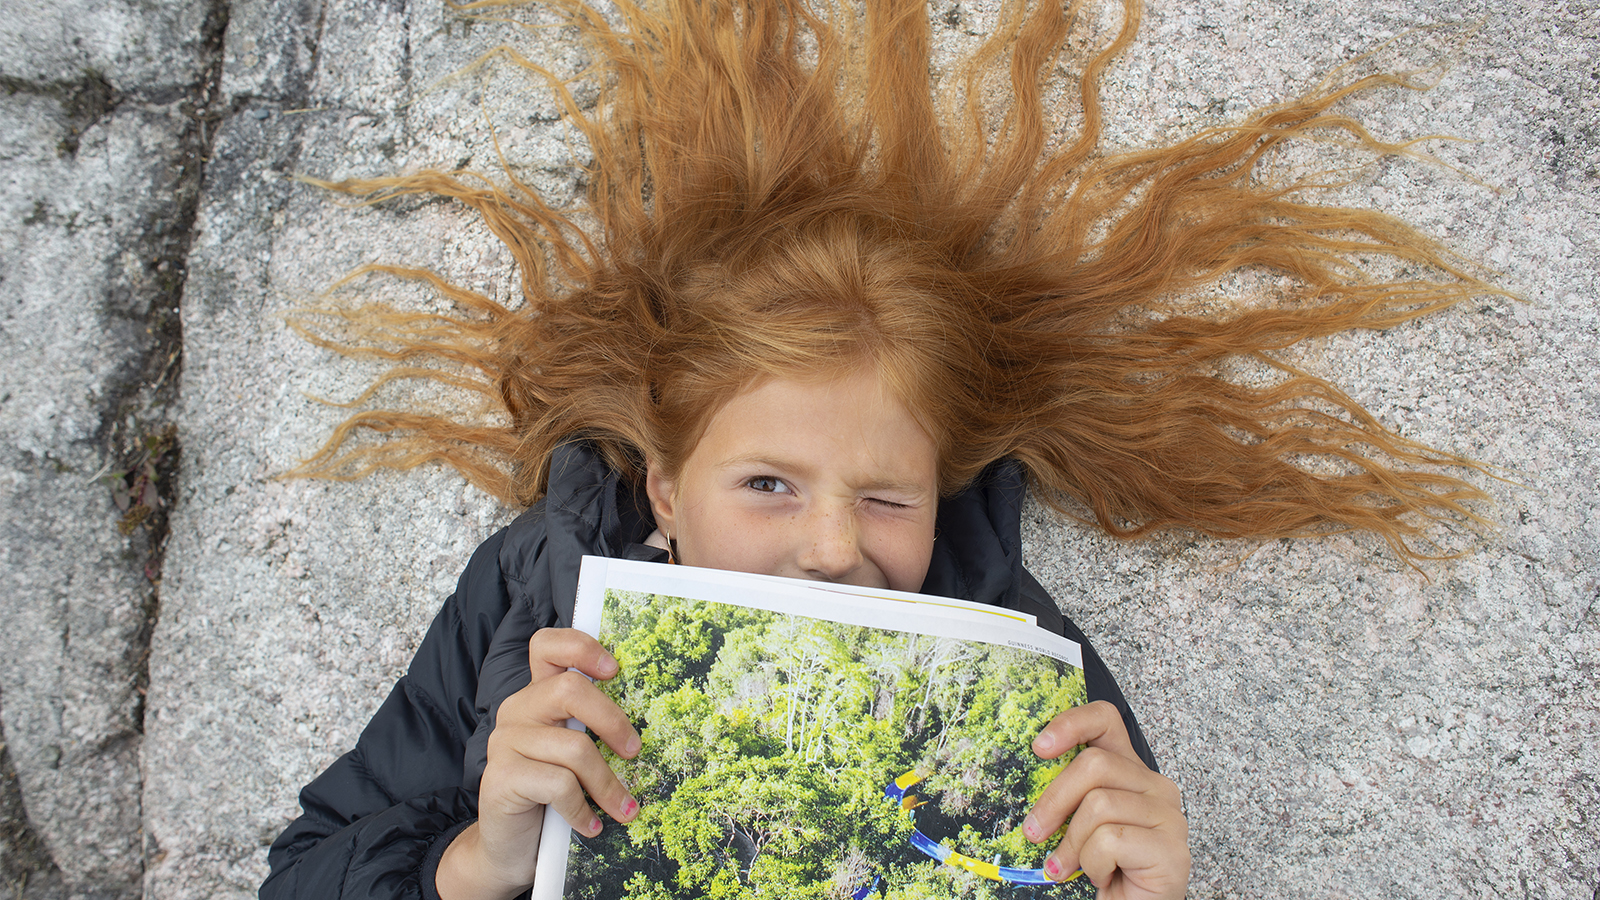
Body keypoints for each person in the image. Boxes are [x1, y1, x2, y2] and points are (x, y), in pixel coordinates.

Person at [262, 0, 1501, 897]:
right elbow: (305, 872)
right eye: (766, 484)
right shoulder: (535, 577)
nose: (832, 547)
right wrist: (477, 865)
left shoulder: (1018, 661)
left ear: (942, 493)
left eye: (886, 498)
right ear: (666, 488)